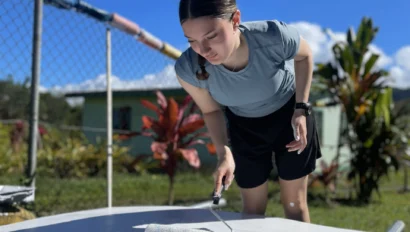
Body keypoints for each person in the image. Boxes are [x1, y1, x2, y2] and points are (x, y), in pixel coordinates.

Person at [174, 0, 322, 223]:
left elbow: (305, 55)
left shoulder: (273, 36)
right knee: (252, 211)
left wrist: (301, 108)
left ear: (235, 20)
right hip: (243, 127)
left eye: (211, 36)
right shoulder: (188, 68)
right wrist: (224, 153)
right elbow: (212, 111)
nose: (203, 51)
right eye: (192, 41)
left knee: (294, 205)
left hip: (290, 116)